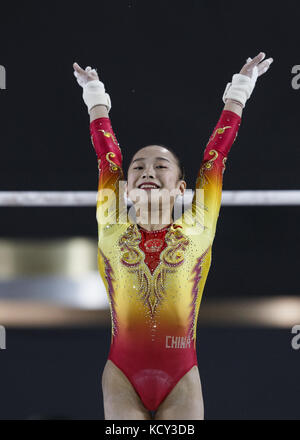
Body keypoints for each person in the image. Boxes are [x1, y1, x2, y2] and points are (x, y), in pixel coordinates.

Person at [73, 52, 273, 420]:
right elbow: (108, 158)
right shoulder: (111, 222)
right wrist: (95, 96)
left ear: (182, 188)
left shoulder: (199, 225)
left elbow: (216, 157)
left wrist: (240, 89)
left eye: (160, 165)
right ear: (127, 190)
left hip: (182, 377)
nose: (148, 171)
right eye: (139, 167)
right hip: (122, 376)